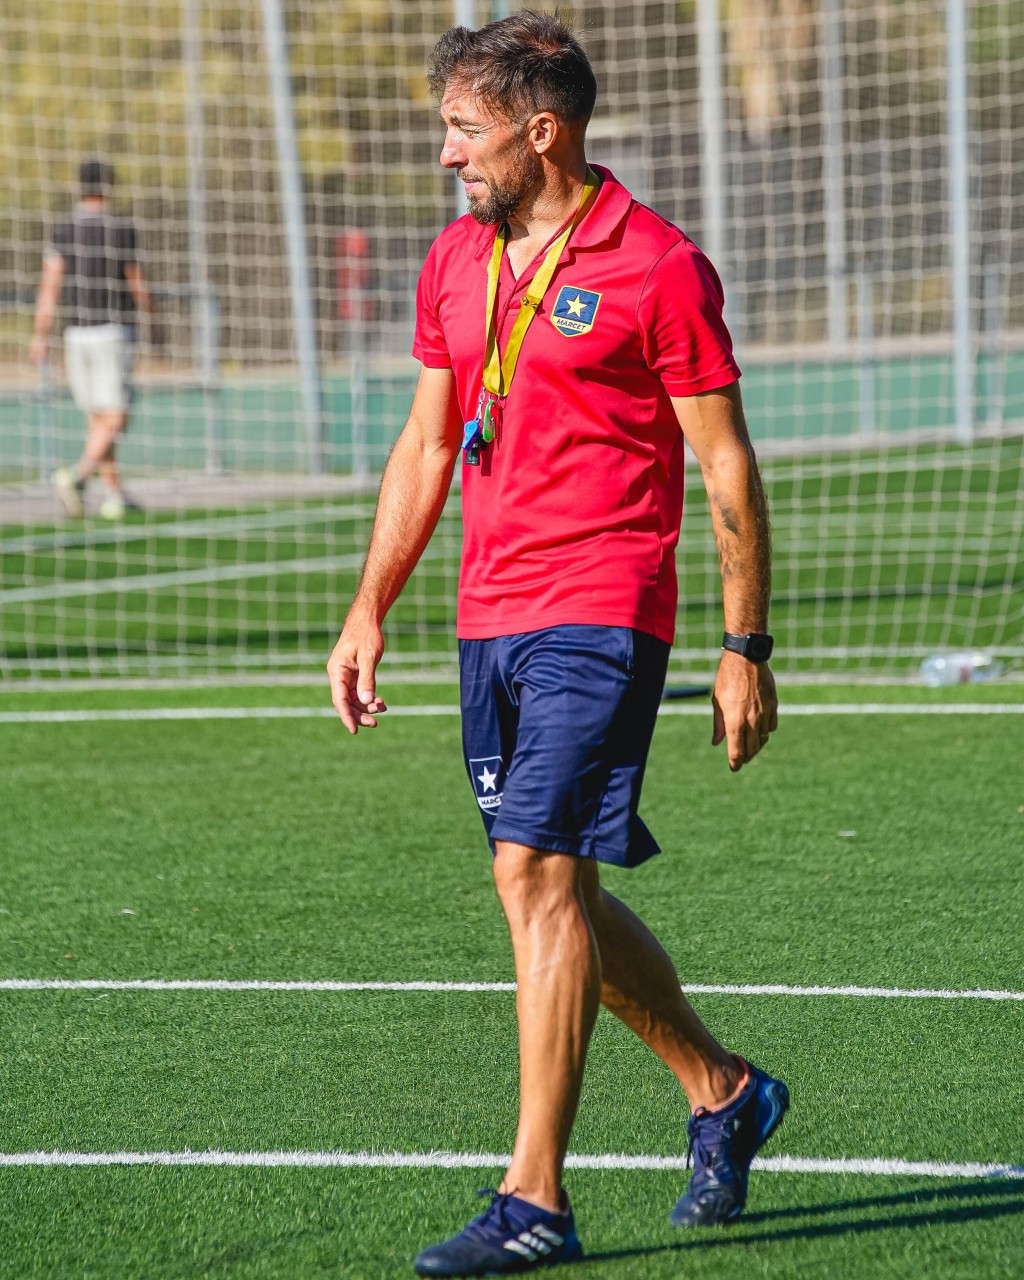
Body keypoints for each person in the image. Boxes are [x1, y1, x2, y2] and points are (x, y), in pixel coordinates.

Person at [327, 12, 787, 1276]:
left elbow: (725, 460)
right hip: (490, 618)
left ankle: (534, 1197)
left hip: (606, 605)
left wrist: (743, 641)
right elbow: (429, 444)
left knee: (531, 876)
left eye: (463, 133)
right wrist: (371, 605)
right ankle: (722, 1086)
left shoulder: (659, 265)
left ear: (543, 132)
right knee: (559, 888)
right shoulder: (452, 262)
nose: (445, 158)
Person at [29, 158, 154, 520]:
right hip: (112, 332)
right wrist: (153, 314)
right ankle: (79, 476)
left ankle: (114, 495)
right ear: (109, 185)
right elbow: (136, 279)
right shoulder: (119, 228)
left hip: (74, 335)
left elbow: (49, 286)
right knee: (116, 418)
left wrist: (41, 335)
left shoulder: (64, 228)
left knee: (100, 420)